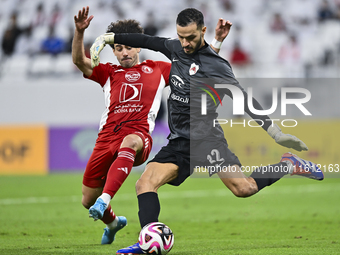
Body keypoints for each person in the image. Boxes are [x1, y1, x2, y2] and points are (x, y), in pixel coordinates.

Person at [90, 8, 324, 254]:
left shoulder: (218, 66)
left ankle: (287, 164)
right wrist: (108, 39)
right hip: (180, 142)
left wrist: (277, 134)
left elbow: (244, 101)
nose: (185, 43)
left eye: (190, 37)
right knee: (144, 183)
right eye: (181, 37)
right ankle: (149, 240)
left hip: (207, 141)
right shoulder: (175, 48)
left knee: (244, 189)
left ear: (202, 31)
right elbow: (145, 40)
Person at [72, 6, 231, 245]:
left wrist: (216, 42)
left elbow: (196, 70)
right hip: (106, 138)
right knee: (86, 199)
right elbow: (78, 61)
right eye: (118, 48)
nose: (124, 52)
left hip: (138, 137)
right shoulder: (108, 73)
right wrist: (79, 32)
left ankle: (106, 198)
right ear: (113, 52)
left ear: (137, 46)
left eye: (128, 46)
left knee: (131, 141)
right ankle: (113, 222)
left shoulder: (157, 69)